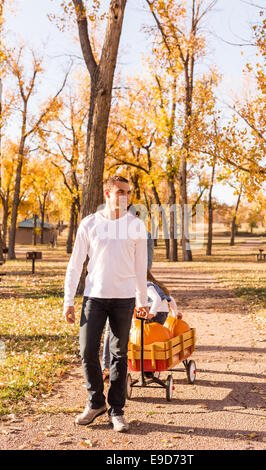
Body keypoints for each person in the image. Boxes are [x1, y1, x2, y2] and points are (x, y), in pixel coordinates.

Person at [63, 175, 150, 432]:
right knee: (87, 350)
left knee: (119, 355)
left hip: (123, 300)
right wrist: (68, 300)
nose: (126, 196)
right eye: (121, 192)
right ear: (107, 194)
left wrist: (141, 300)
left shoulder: (136, 226)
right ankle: (95, 402)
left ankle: (117, 410)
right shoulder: (90, 224)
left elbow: (140, 267)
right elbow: (75, 264)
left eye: (129, 192)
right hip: (94, 298)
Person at [101, 205, 154, 382]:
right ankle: (107, 367)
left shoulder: (143, 234)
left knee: (132, 325)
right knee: (112, 327)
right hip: (114, 284)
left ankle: (142, 363)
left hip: (132, 284)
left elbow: (146, 263)